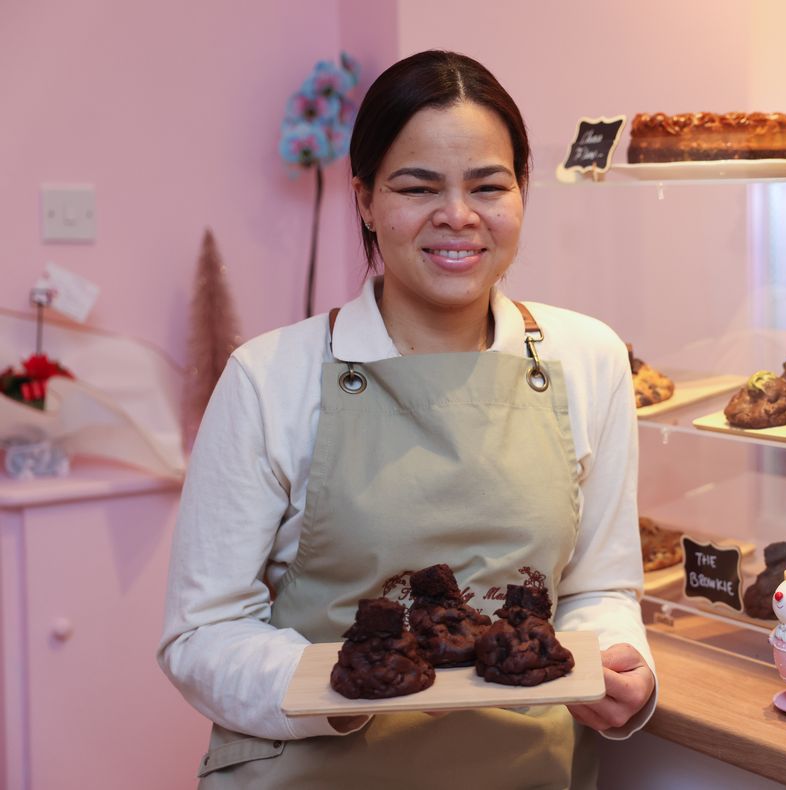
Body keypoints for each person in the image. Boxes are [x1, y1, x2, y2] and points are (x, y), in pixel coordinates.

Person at [158, 50, 656, 789]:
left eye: (488, 185)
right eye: (417, 186)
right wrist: (348, 683)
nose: (457, 216)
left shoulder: (590, 358)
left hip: (523, 769)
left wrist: (617, 663)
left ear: (524, 192)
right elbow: (201, 635)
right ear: (363, 199)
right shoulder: (270, 377)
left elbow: (598, 588)